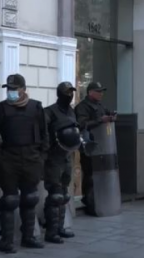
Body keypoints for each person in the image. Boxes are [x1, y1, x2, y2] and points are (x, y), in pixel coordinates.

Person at [0, 74, 48, 253]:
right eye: (8, 89)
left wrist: (41, 157)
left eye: (14, 89)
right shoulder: (1, 108)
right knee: (9, 200)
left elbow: (44, 134)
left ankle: (29, 237)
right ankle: (6, 241)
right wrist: (1, 158)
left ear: (23, 89)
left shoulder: (36, 107)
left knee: (30, 198)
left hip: (32, 158)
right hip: (9, 158)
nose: (11, 92)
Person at [43, 82, 81, 244]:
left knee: (64, 194)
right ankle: (51, 232)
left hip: (66, 156)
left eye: (71, 92)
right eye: (67, 92)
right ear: (59, 94)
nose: (70, 95)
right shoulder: (49, 112)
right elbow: (43, 134)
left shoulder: (71, 111)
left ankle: (60, 227)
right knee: (55, 195)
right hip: (53, 158)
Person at [75, 82, 116, 216]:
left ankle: (101, 202)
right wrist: (100, 120)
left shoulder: (99, 105)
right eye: (98, 91)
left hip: (103, 147)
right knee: (90, 176)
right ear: (90, 92)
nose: (101, 94)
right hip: (90, 147)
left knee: (101, 176)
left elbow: (105, 115)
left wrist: (111, 116)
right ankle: (90, 203)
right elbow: (82, 124)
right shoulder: (82, 107)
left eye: (102, 91)